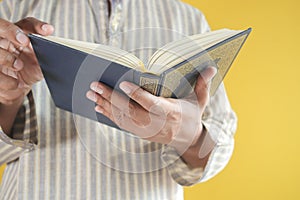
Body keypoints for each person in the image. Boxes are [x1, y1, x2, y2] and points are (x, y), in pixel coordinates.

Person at [0, 0, 237, 199]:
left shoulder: (189, 20)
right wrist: (10, 95)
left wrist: (186, 134)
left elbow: (217, 150)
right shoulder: (12, 7)